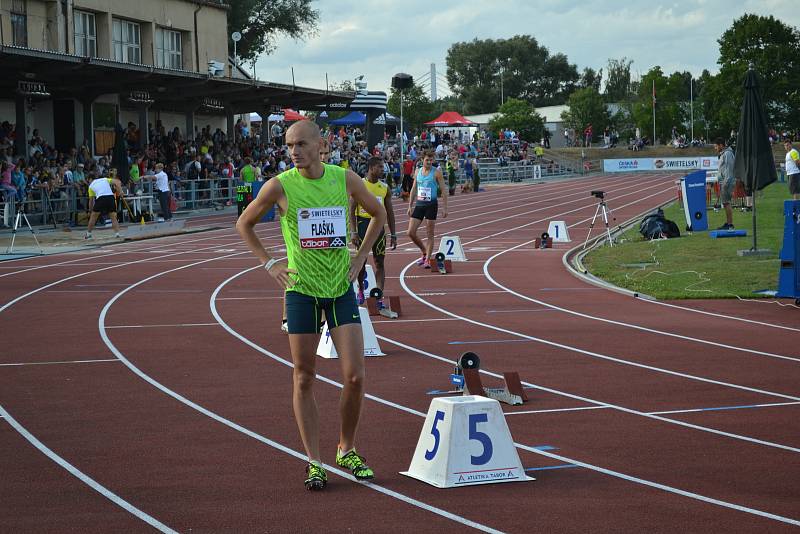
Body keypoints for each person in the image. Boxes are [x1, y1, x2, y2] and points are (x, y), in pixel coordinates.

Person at [236, 120, 386, 491]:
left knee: (355, 376)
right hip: (301, 292)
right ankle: (314, 461)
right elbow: (245, 223)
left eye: (301, 144)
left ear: (322, 144)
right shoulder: (280, 185)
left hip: (339, 289)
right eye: (289, 146)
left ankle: (346, 448)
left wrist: (361, 256)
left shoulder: (344, 179)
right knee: (304, 375)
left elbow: (378, 214)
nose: (293, 152)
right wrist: (270, 263)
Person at [350, 156, 397, 306]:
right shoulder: (360, 185)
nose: (383, 170)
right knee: (361, 263)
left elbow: (390, 212)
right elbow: (351, 210)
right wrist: (354, 231)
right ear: (371, 168)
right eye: (380, 167)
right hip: (363, 225)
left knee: (380, 263)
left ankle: (379, 295)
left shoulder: (384, 188)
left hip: (379, 229)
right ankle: (361, 290)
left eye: (383, 167)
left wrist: (393, 234)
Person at [407, 150, 448, 268]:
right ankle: (424, 251)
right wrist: (410, 205)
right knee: (410, 232)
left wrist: (445, 208)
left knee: (430, 233)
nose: (429, 162)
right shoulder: (417, 171)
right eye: (427, 160)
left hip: (431, 205)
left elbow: (444, 191)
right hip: (419, 205)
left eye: (431, 160)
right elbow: (414, 189)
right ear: (422, 160)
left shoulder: (437, 173)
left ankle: (428, 259)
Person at [84, 171, 122, 239]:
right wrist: (120, 191)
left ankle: (88, 234)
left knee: (93, 217)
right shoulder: (105, 179)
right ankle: (117, 233)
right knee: (113, 217)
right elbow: (118, 182)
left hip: (101, 198)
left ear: (89, 179)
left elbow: (91, 201)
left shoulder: (90, 186)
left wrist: (90, 211)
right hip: (110, 197)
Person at [714, 138, 736, 230]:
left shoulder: (727, 154)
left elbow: (729, 170)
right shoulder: (724, 154)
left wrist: (725, 183)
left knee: (726, 203)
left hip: (727, 182)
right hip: (724, 182)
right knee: (725, 203)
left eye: (716, 146)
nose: (715, 148)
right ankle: (728, 223)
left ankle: (730, 224)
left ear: (721, 145)